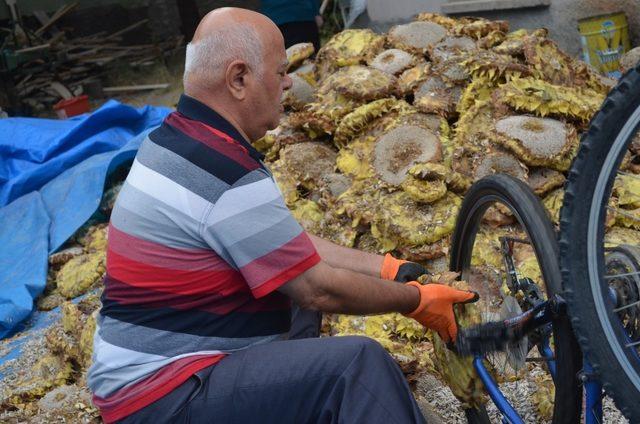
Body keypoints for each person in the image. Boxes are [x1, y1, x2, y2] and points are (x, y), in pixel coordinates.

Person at [87, 7, 478, 424]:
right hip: (161, 397)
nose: (289, 82)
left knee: (289, 293)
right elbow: (319, 289)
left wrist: (386, 268)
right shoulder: (220, 169)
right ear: (239, 79)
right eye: (280, 71)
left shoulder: (178, 138)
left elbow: (288, 248)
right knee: (356, 365)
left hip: (150, 378)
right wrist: (416, 301)